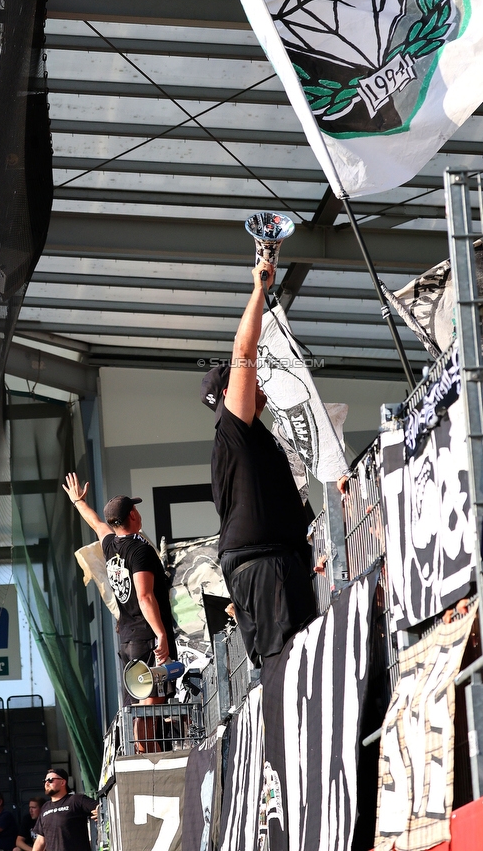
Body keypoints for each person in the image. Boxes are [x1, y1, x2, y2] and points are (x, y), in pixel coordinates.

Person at [201, 259, 317, 667]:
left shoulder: (245, 440)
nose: (259, 380)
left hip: (270, 563)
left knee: (291, 663)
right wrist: (259, 289)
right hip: (265, 567)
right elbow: (244, 351)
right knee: (291, 664)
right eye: (248, 380)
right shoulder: (235, 430)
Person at [62, 473, 177, 706]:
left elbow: (95, 523)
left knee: (139, 708)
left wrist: (78, 501)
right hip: (146, 638)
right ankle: (143, 744)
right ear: (133, 514)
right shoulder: (139, 550)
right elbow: (145, 597)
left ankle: (142, 744)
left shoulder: (109, 543)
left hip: (127, 639)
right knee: (149, 709)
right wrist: (161, 634)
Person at [32, 769, 97, 851]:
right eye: (44, 781)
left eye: (50, 780)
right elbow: (40, 840)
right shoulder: (45, 807)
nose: (47, 783)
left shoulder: (76, 800)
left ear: (63, 782)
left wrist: (99, 812)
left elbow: (102, 807)